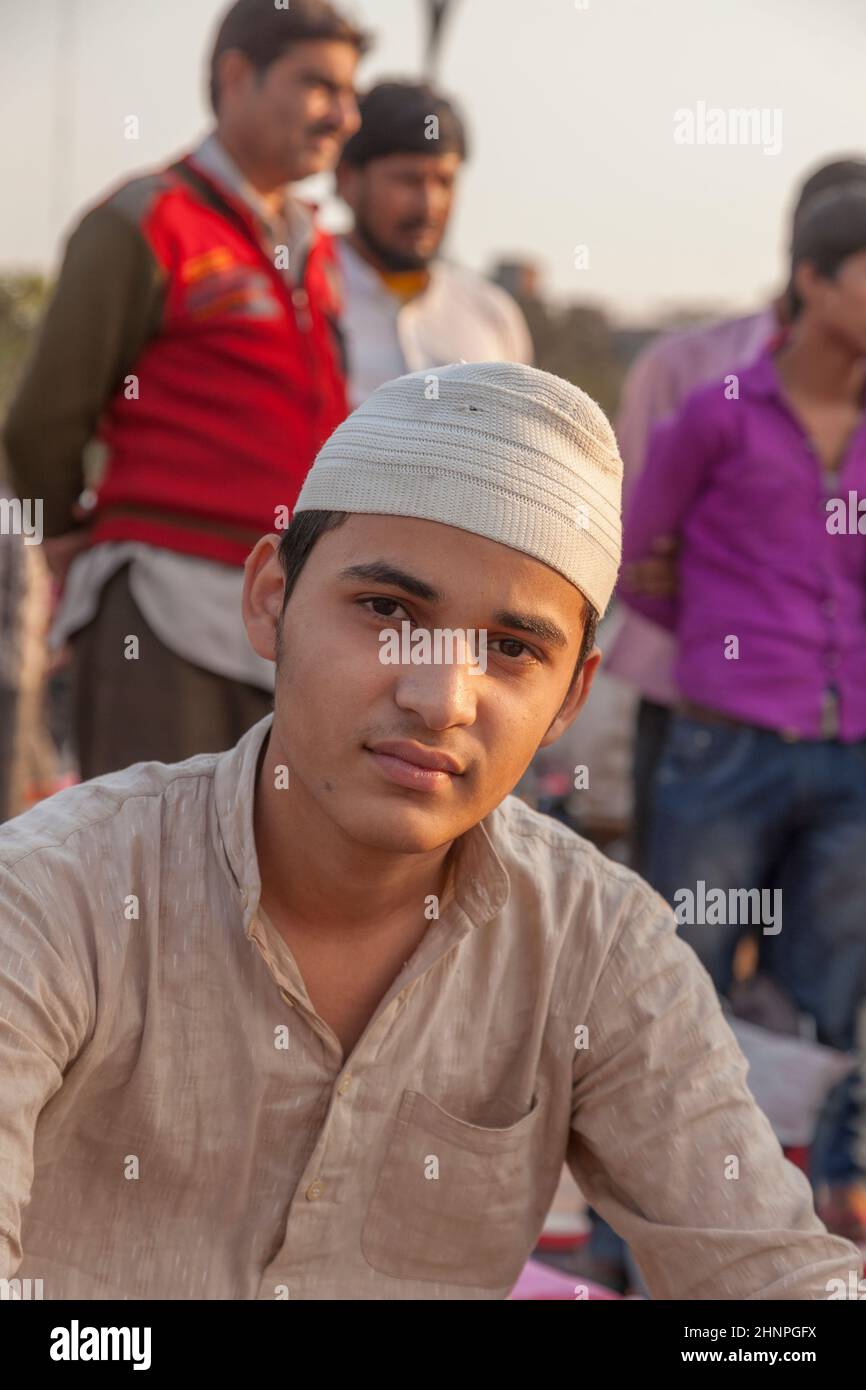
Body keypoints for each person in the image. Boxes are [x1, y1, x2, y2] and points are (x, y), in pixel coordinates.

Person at [0, 361, 860, 1300]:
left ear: (572, 693)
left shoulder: (599, 945)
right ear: (269, 599)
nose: (440, 698)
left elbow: (774, 1283)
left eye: (512, 650)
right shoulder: (57, 897)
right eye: (387, 612)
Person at [2, 0, 367, 778]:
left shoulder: (315, 244)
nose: (344, 115)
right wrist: (68, 531)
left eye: (350, 93)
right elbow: (43, 421)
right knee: (155, 870)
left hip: (286, 607)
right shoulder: (142, 220)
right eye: (319, 86)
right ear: (236, 76)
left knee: (267, 878)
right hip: (163, 603)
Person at [620, 185, 866, 1243]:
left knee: (824, 1000)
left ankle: (793, 1239)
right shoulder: (716, 410)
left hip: (851, 747)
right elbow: (629, 555)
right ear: (810, 282)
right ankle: (645, 1233)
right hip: (722, 739)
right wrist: (733, 647)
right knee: (681, 985)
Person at [606, 155, 866, 877]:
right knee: (678, 954)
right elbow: (628, 546)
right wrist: (733, 615)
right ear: (810, 261)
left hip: (844, 731)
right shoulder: (688, 370)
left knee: (820, 969)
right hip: (695, 704)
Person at [334, 81, 532, 407]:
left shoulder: (491, 314)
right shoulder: (305, 302)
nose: (429, 205)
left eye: (444, 181)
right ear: (347, 180)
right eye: (408, 180)